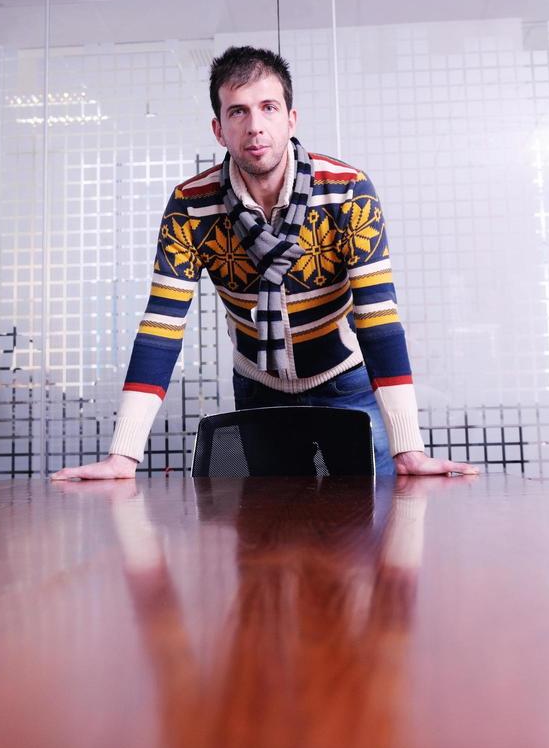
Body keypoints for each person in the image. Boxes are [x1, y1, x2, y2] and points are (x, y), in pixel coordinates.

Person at [52, 45, 477, 480]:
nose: (255, 127)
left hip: (345, 383)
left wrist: (409, 449)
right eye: (238, 112)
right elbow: (161, 326)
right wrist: (122, 457)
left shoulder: (347, 190)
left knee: (375, 526)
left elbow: (378, 318)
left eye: (268, 107)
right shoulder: (190, 206)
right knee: (266, 535)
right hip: (258, 389)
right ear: (219, 130)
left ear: (291, 119)